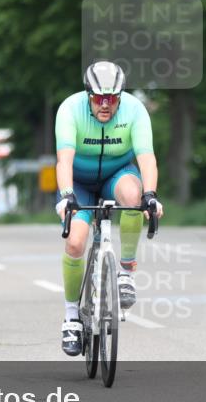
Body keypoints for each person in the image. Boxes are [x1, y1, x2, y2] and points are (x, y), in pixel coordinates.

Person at [54, 60, 164, 356]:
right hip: (78, 181)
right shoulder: (69, 109)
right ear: (88, 94)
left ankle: (125, 272)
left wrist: (150, 196)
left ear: (121, 96)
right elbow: (64, 160)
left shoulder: (134, 110)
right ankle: (71, 317)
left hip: (116, 175)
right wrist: (66, 196)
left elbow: (147, 158)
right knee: (76, 242)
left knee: (133, 194)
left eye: (112, 98)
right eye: (99, 98)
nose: (105, 105)